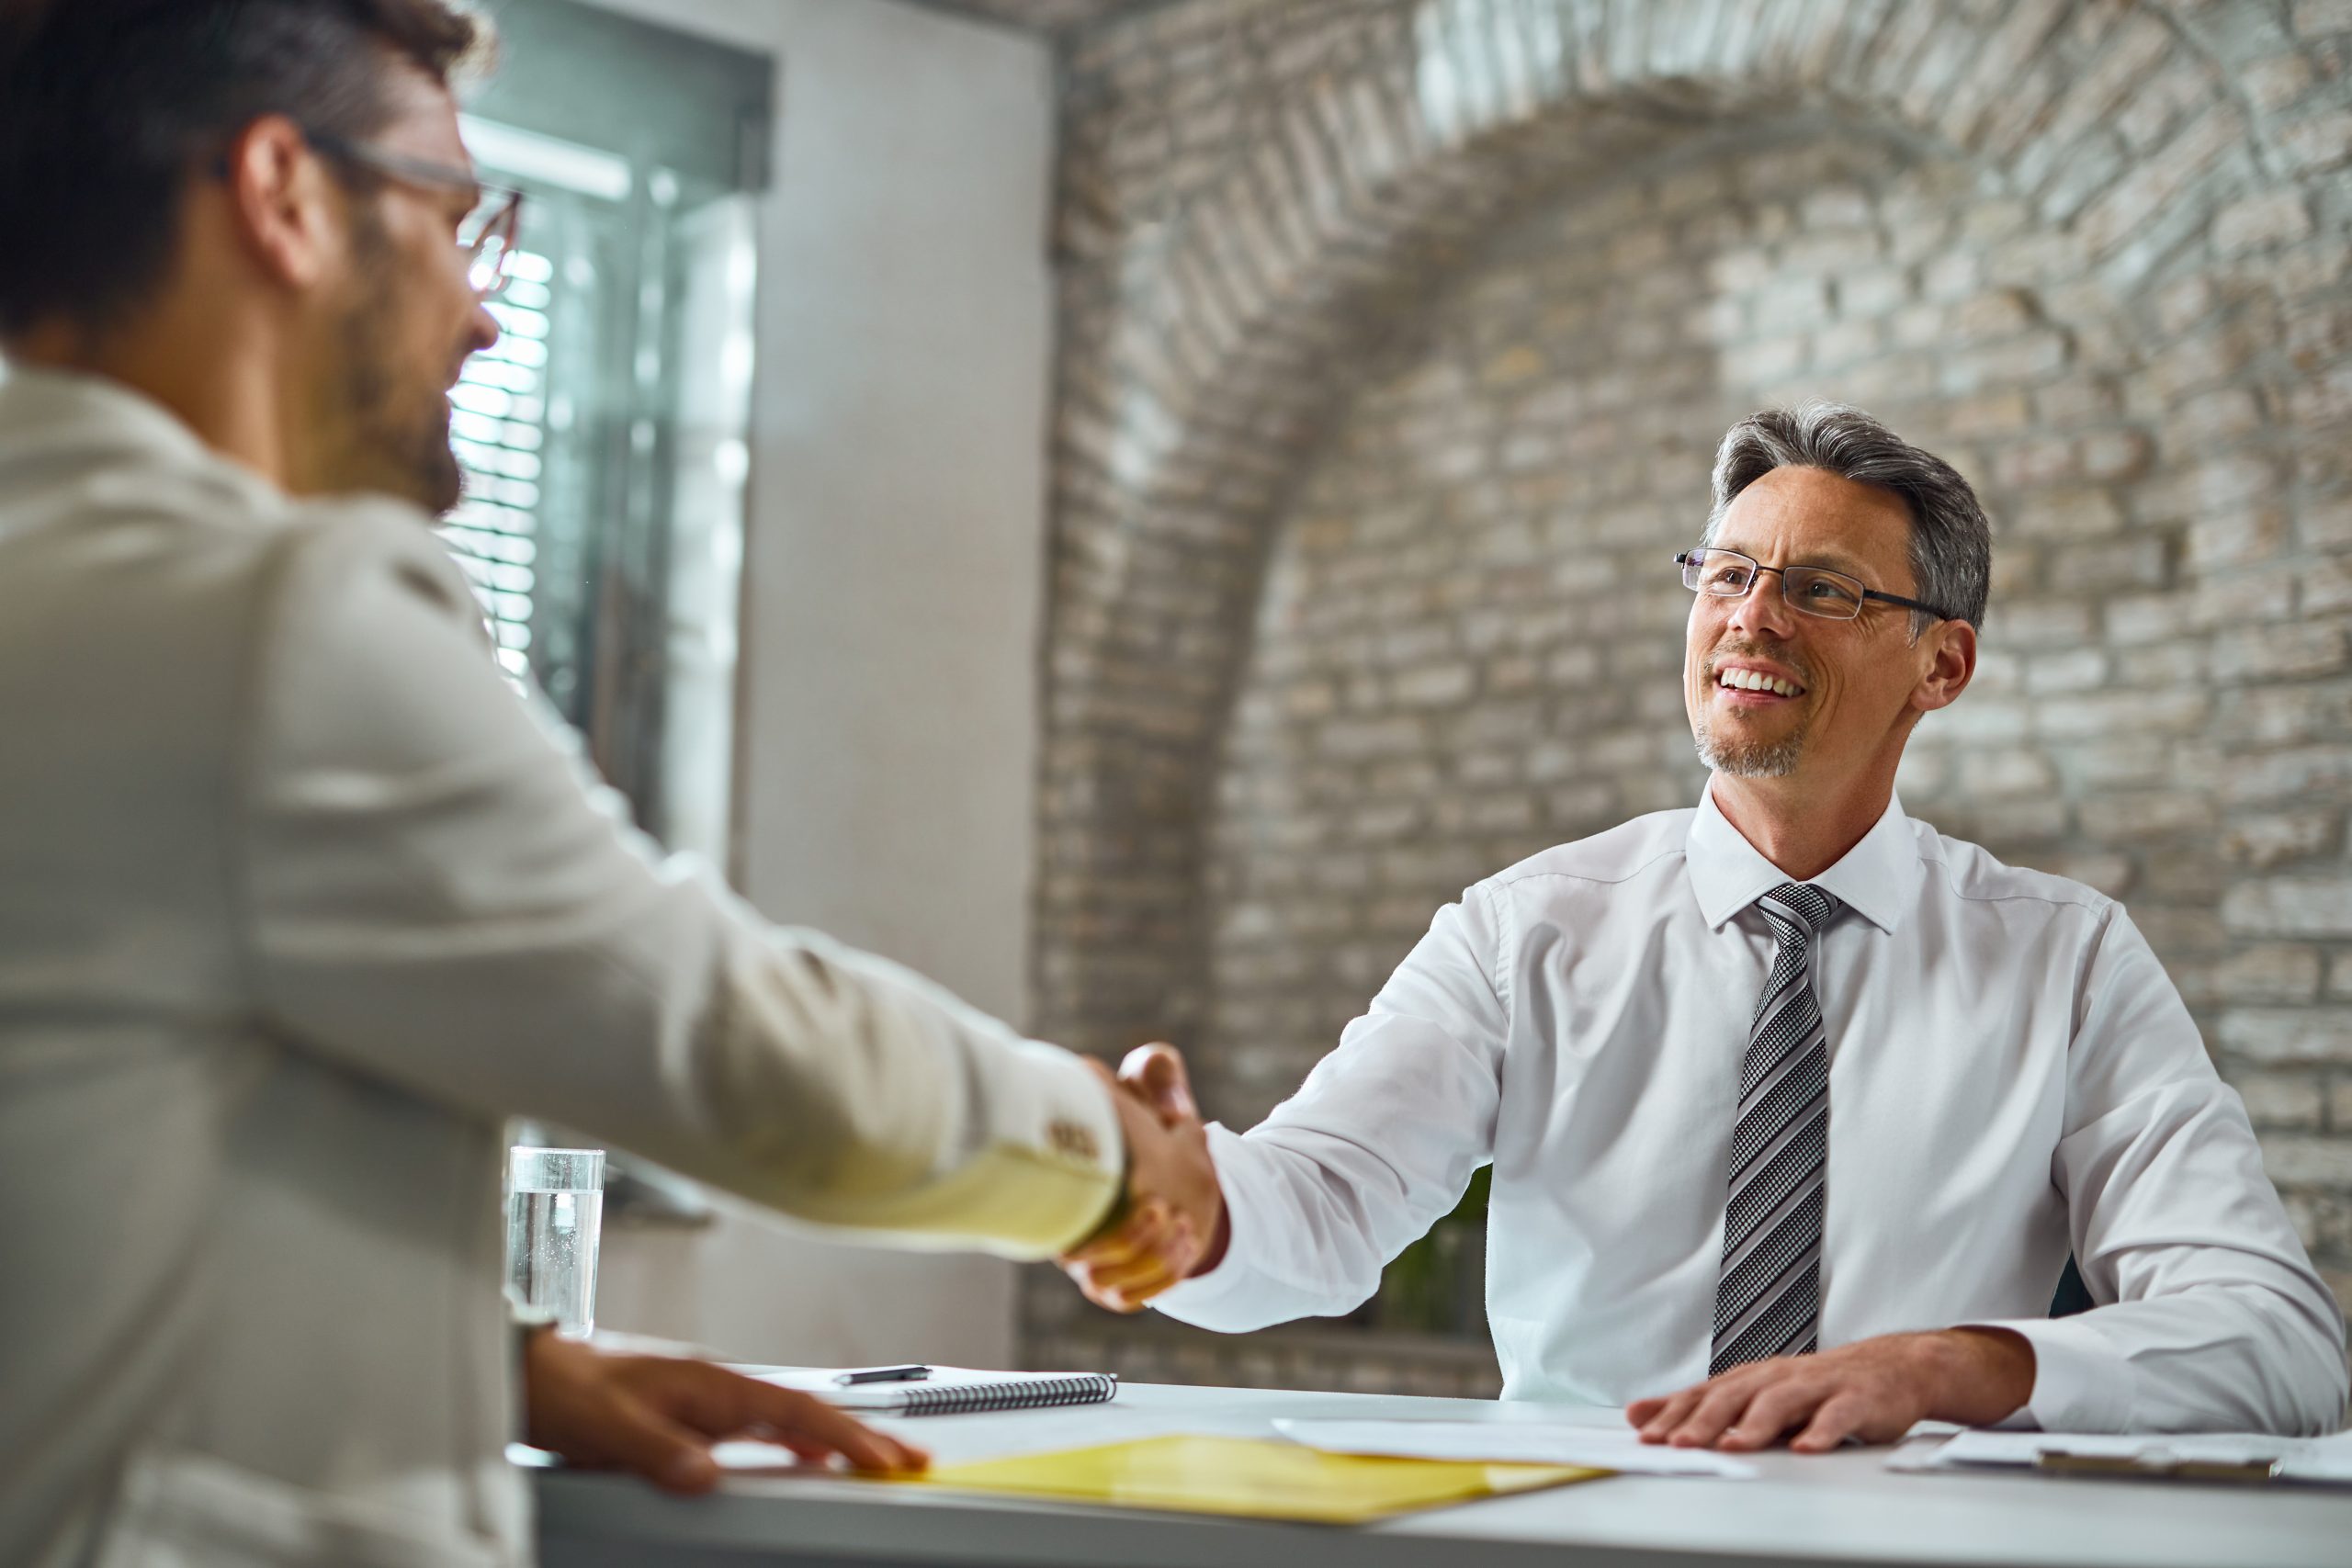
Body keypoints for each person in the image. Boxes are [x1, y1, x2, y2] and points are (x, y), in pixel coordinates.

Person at [0, 4, 1204, 1564]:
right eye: (455, 217)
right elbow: (749, 1058)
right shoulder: (260, 614)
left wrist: (500, 1368)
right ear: (282, 195)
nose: (484, 312)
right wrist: (1110, 1155)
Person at [1065, 402, 2349, 1446]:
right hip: (1575, 1546)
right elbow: (1324, 1206)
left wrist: (1945, 1370)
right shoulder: (1524, 936)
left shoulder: (2065, 961)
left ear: (1942, 666)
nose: (1750, 617)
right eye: (1728, 573)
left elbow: (2276, 1342)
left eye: (1823, 589)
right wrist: (1187, 1203)